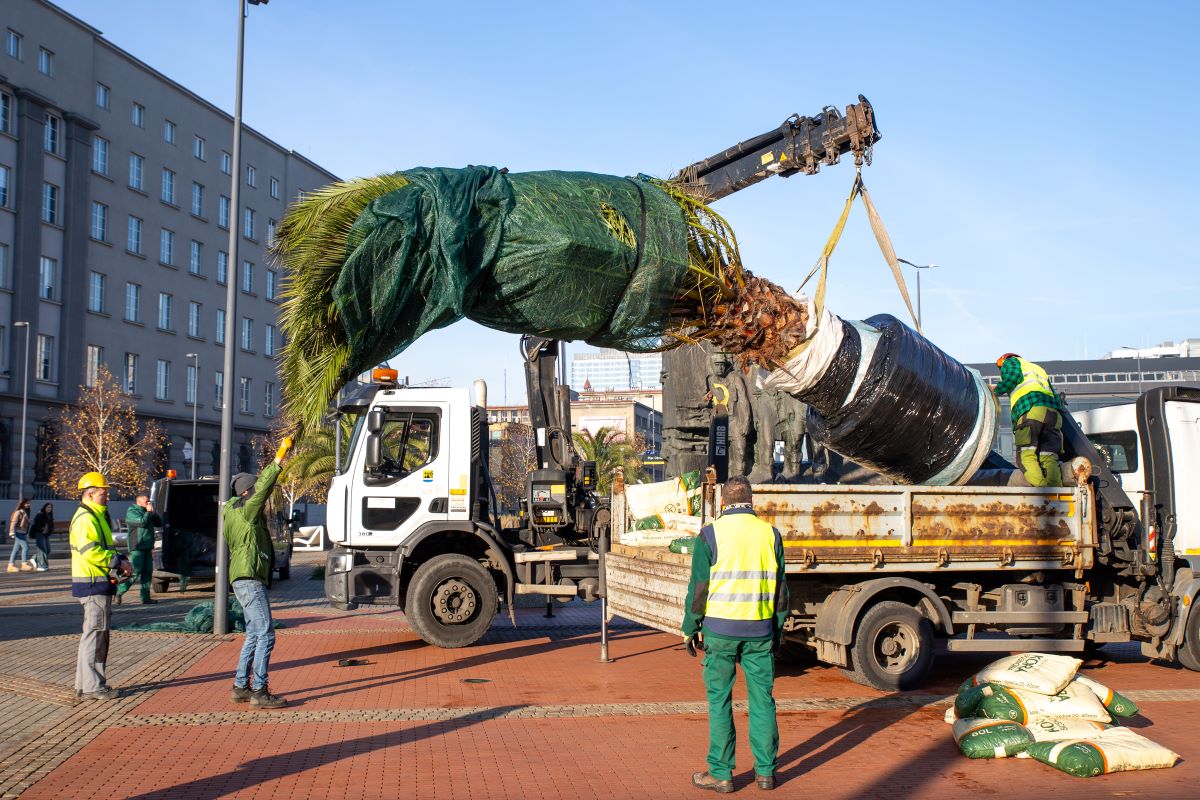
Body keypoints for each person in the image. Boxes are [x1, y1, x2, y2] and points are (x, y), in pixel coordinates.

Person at [683, 475, 788, 793]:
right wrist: (777, 629)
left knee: (720, 701)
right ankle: (766, 773)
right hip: (759, 631)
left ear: (723, 502)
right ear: (751, 502)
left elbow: (699, 589)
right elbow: (781, 591)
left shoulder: (710, 534)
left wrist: (690, 628)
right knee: (762, 701)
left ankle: (722, 774)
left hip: (719, 631)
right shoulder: (770, 534)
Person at [226, 436, 292, 709]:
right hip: (250, 578)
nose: (263, 500)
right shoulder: (247, 511)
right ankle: (260, 691)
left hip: (241, 579)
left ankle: (241, 686)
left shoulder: (231, 512)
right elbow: (264, 486)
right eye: (256, 494)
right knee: (266, 633)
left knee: (254, 633)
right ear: (247, 493)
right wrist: (280, 456)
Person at [71, 472, 132, 700]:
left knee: (93, 635)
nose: (107, 498)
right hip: (93, 584)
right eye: (103, 494)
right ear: (90, 494)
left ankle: (84, 683)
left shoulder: (94, 516)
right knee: (96, 636)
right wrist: (118, 562)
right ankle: (93, 686)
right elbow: (92, 552)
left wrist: (118, 558)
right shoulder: (87, 519)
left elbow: (102, 548)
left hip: (96, 583)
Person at [993, 353, 1065, 487]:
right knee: (1049, 457)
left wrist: (995, 390)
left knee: (1025, 456)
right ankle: (1057, 493)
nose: (1001, 371)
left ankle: (1044, 494)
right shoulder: (1038, 369)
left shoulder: (1011, 362)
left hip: (1031, 409)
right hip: (1053, 414)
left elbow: (1012, 377)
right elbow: (1055, 395)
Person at [118, 494, 160, 605]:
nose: (149, 503)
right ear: (139, 502)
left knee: (147, 573)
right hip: (137, 546)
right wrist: (149, 512)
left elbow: (159, 523)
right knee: (134, 572)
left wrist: (153, 512)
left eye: (149, 501)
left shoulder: (148, 512)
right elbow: (142, 522)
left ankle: (145, 598)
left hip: (147, 546)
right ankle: (119, 591)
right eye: (147, 502)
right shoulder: (132, 512)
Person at [7, 498, 34, 573]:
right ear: (22, 503)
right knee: (26, 547)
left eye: (29, 503)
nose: (28, 504)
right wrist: (11, 532)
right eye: (26, 503)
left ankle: (10, 566)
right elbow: (14, 522)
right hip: (18, 533)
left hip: (22, 533)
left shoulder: (25, 512)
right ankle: (24, 564)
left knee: (15, 550)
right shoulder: (19, 512)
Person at [29, 503, 54, 572]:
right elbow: (36, 525)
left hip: (46, 535)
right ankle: (42, 566)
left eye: (50, 507)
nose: (49, 509)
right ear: (44, 507)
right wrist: (42, 530)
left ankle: (34, 558)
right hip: (39, 534)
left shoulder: (49, 515)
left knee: (48, 550)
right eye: (48, 507)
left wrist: (49, 531)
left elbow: (51, 525)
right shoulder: (40, 515)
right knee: (42, 550)